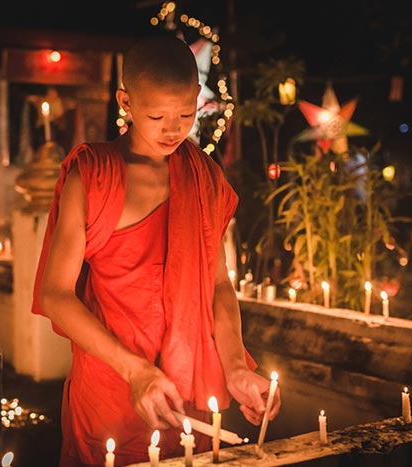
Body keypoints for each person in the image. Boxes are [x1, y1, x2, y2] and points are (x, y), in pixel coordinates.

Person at [31, 35, 280, 466]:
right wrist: (136, 372)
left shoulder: (201, 175)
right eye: (156, 115)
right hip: (111, 390)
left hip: (187, 393)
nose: (173, 129)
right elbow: (56, 295)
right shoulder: (95, 174)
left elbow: (218, 284)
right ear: (125, 102)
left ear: (198, 98)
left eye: (185, 114)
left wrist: (237, 366)